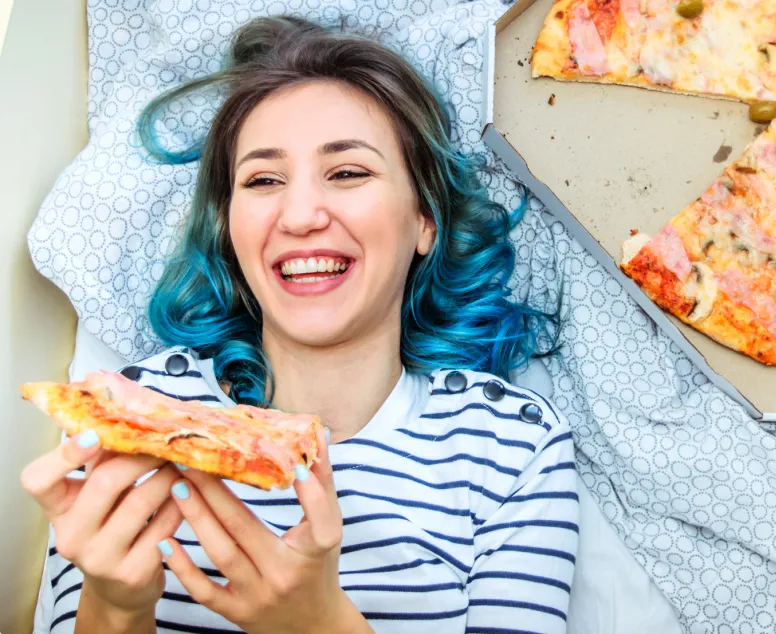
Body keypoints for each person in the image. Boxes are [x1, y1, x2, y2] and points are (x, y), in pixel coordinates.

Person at [21, 16, 579, 634]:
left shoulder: (512, 446)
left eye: (347, 173)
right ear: (230, 231)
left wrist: (317, 624)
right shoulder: (133, 413)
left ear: (425, 220)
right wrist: (117, 607)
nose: (301, 214)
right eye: (263, 180)